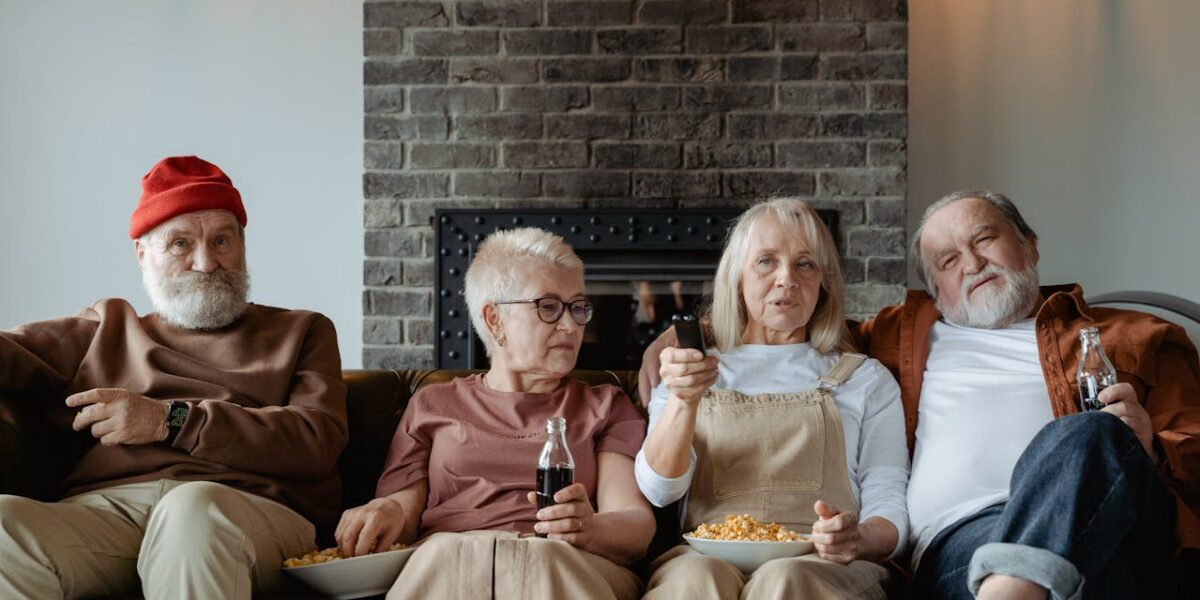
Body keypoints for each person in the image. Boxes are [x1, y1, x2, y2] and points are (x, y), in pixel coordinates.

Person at [642, 190, 1200, 600]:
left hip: (1103, 522)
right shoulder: (901, 337)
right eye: (948, 261)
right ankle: (1019, 584)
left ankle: (1015, 586)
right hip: (963, 544)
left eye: (984, 239)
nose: (973, 263)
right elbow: (786, 339)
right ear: (935, 289)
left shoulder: (1138, 335)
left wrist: (1147, 446)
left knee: (1085, 433)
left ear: (1028, 245)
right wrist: (678, 339)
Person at [0, 155, 348, 599]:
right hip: (110, 512)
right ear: (142, 253)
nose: (206, 263)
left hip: (246, 509)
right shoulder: (104, 326)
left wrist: (171, 419)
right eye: (181, 244)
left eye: (222, 240)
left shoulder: (302, 331)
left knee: (192, 511)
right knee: (4, 527)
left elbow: (314, 442)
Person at [334, 227, 654, 600]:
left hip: (564, 562)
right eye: (548, 307)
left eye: (578, 307)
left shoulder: (606, 405)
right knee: (444, 553)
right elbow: (402, 510)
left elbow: (635, 524)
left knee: (539, 560)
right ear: (494, 320)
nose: (571, 325)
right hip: (451, 560)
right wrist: (382, 512)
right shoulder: (432, 404)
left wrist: (589, 528)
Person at [636, 198, 909, 599]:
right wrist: (683, 400)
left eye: (805, 264)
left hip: (821, 564)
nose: (787, 279)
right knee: (695, 581)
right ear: (737, 279)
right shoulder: (690, 371)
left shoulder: (864, 379)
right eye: (766, 261)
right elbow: (659, 491)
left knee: (784, 579)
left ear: (824, 282)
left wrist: (859, 537)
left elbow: (889, 500)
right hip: (706, 556)